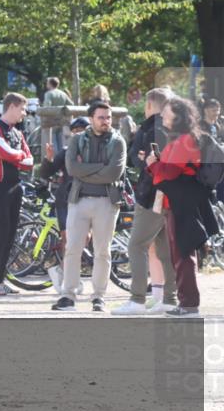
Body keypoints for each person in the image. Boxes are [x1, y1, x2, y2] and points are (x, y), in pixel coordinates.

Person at [51, 101, 127, 313]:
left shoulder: (118, 141)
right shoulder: (77, 139)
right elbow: (72, 168)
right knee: (72, 249)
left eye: (108, 117)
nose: (106, 121)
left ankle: (98, 297)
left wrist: (87, 171)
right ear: (91, 118)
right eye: (101, 117)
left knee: (102, 252)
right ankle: (68, 296)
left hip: (106, 202)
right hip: (79, 201)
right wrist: (99, 169)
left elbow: (114, 173)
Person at [146, 97, 217, 317]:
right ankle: (187, 302)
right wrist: (156, 165)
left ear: (178, 116)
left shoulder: (184, 140)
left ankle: (188, 303)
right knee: (181, 252)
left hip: (182, 203)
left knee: (183, 253)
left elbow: (169, 173)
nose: (163, 115)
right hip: (181, 201)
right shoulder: (182, 139)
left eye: (167, 112)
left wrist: (153, 164)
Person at [113, 88, 177, 315]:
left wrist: (142, 160)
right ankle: (169, 298)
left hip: (152, 195)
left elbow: (141, 159)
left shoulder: (151, 128)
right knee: (164, 250)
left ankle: (137, 299)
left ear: (150, 105)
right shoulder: (174, 128)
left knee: (136, 245)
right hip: (168, 195)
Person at [0, 92, 34, 296]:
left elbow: (30, 162)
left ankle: (1, 279)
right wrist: (18, 156)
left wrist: (18, 157)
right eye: (22, 108)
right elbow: (6, 152)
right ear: (11, 106)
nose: (24, 113)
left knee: (11, 234)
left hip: (16, 185)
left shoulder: (18, 133)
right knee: (0, 232)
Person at [40, 116, 90, 246]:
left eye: (81, 130)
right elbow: (46, 173)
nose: (77, 134)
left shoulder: (95, 151)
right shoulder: (66, 152)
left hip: (87, 197)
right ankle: (65, 266)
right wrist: (48, 159)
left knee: (86, 236)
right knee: (66, 236)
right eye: (75, 131)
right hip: (65, 198)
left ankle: (81, 263)